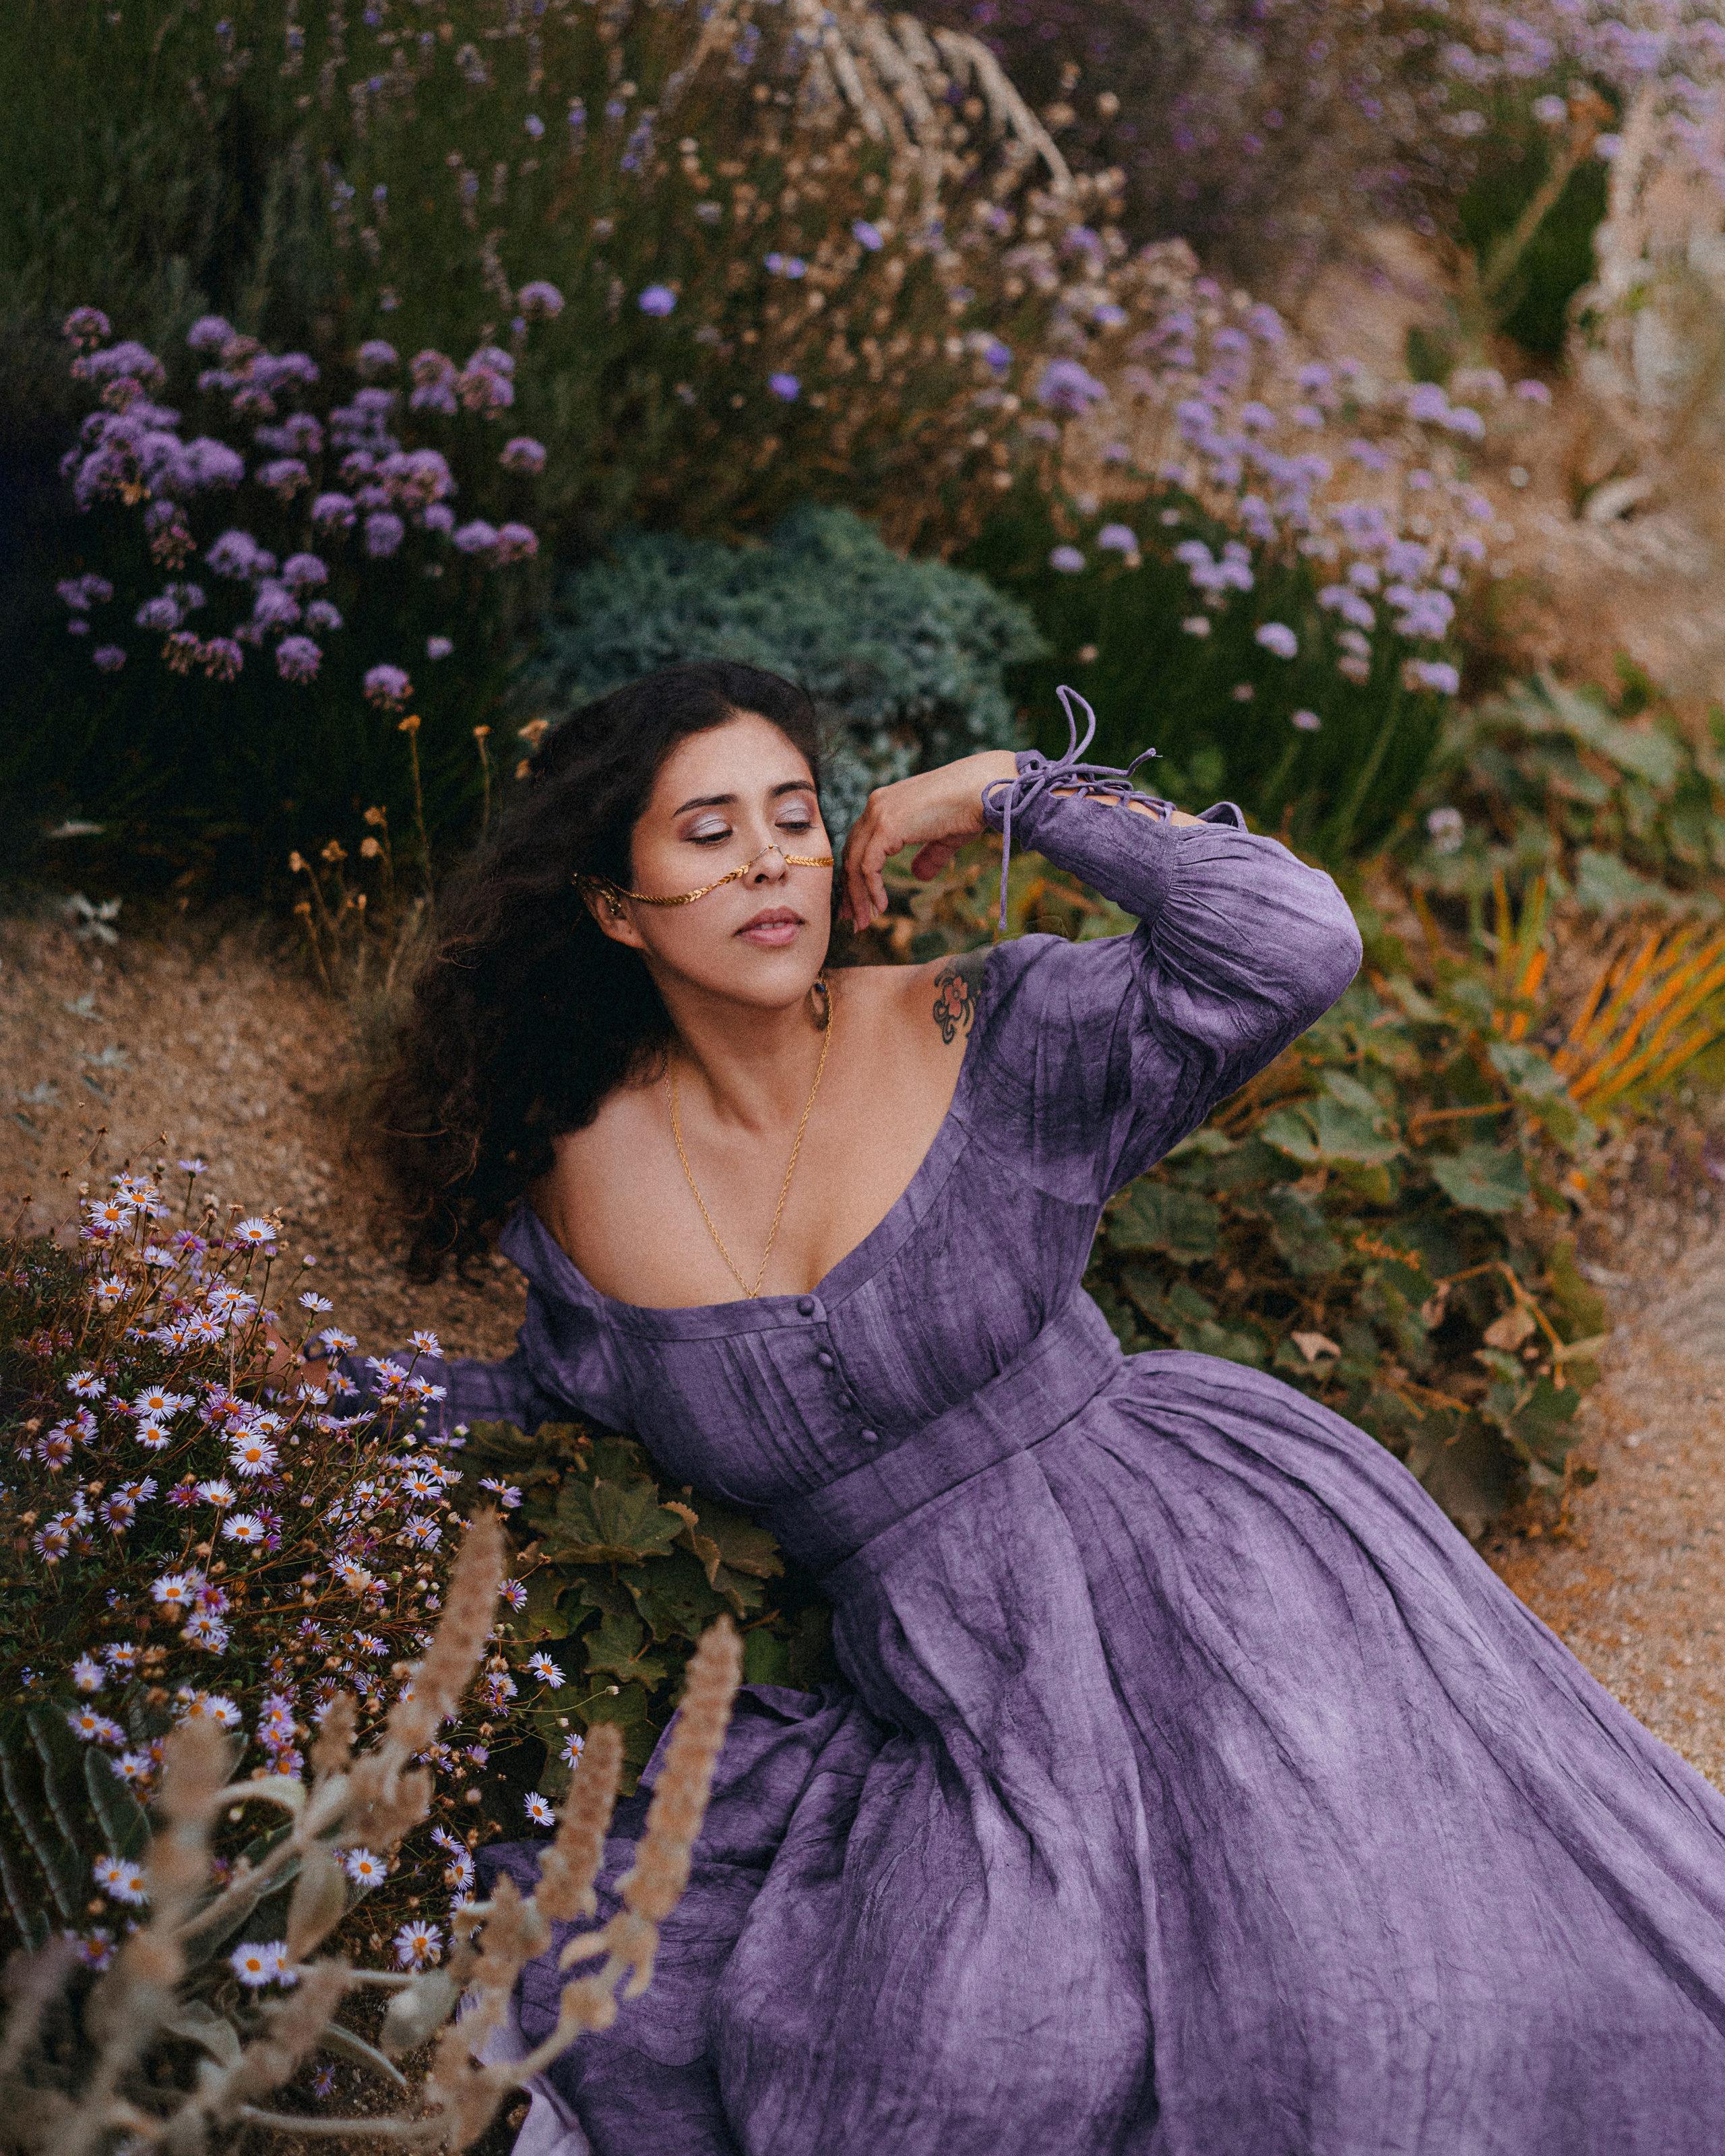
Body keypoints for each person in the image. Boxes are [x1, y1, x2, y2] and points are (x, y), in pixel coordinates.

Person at [360, 659, 1725, 2155]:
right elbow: (554, 1407)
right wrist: (293, 1403)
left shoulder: (981, 1026)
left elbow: (1290, 943)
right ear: (617, 908)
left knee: (1352, 2008)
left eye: (793, 816)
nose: (765, 859)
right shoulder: (578, 1180)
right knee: (958, 2065)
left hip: (1211, 1565)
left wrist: (1015, 788)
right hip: (957, 1683)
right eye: (705, 831)